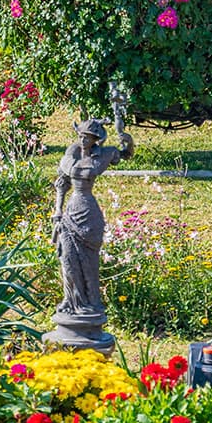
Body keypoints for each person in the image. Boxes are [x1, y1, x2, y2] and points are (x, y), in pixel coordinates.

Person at [49, 116, 132, 320]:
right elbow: (62, 184)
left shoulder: (102, 155)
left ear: (96, 139)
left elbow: (125, 153)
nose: (82, 140)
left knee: (89, 261)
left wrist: (126, 138)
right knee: (67, 258)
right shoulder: (71, 154)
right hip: (70, 212)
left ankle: (91, 302)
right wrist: (58, 210)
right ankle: (71, 300)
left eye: (87, 137)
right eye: (80, 136)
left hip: (89, 212)